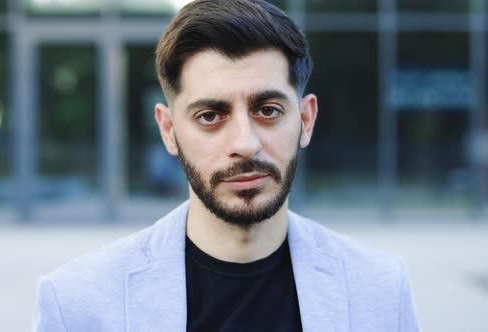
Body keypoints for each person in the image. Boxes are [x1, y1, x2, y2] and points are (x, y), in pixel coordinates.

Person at [33, 0, 420, 331]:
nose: (245, 144)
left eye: (268, 110)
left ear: (306, 119)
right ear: (168, 130)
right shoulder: (77, 305)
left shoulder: (381, 290)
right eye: (210, 116)